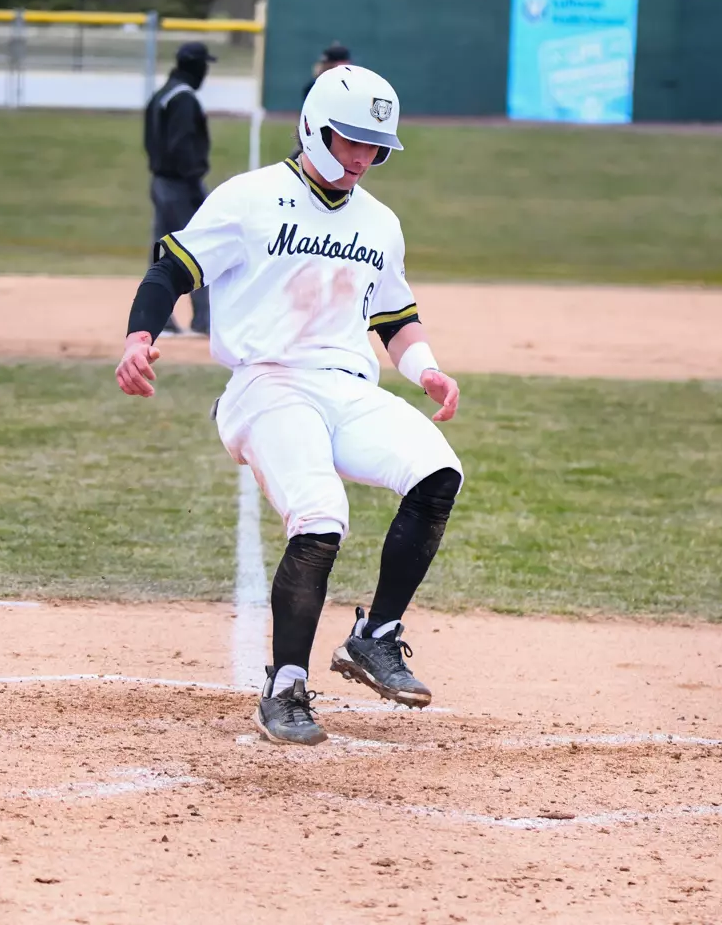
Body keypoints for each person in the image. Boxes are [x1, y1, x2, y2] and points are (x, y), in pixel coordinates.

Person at [116, 64, 464, 746]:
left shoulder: (380, 222)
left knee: (438, 471)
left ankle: (376, 635)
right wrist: (138, 338)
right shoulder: (250, 198)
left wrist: (427, 370)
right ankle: (285, 685)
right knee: (320, 512)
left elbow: (394, 317)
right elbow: (171, 269)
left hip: (347, 387)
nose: (362, 157)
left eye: (374, 146)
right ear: (313, 125)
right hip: (268, 383)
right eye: (349, 140)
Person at [144, 41, 216, 335]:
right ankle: (204, 320)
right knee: (199, 250)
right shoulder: (184, 98)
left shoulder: (162, 94)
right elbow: (183, 145)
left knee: (162, 252)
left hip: (160, 181)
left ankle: (156, 317)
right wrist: (195, 184)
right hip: (180, 185)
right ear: (196, 66)